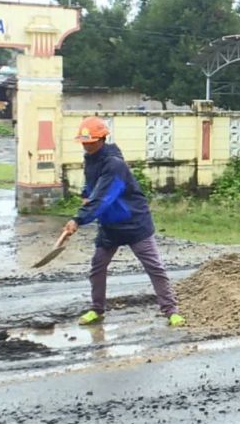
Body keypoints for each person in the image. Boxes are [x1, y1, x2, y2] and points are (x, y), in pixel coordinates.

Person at [61, 116, 185, 326]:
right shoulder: (90, 159)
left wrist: (78, 219)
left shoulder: (114, 164)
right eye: (83, 141)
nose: (86, 145)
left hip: (134, 222)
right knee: (97, 267)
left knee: (154, 267)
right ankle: (97, 310)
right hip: (109, 226)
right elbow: (92, 185)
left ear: (101, 139)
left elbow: (104, 196)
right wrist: (84, 194)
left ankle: (171, 311)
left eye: (90, 141)